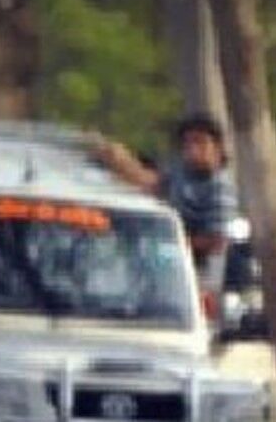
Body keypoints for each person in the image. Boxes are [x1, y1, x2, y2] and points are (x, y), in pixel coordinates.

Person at [92, 113, 239, 290]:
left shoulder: (220, 187)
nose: (193, 149)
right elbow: (152, 183)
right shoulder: (183, 173)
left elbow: (216, 241)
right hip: (158, 265)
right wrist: (119, 160)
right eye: (187, 144)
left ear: (217, 147)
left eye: (200, 142)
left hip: (194, 275)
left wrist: (168, 239)